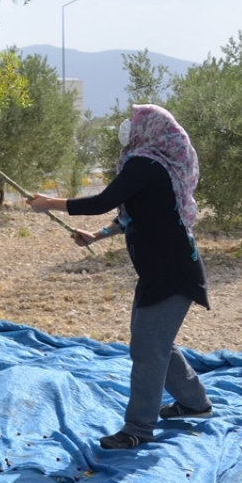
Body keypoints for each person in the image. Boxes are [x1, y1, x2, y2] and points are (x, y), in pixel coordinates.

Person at [29, 104, 211, 450]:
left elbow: (103, 200)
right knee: (154, 345)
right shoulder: (153, 165)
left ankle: (138, 430)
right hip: (160, 271)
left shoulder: (146, 165)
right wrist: (97, 236)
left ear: (151, 128)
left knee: (148, 350)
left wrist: (49, 203)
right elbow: (130, 213)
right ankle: (195, 404)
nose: (127, 125)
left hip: (172, 272)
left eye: (135, 120)